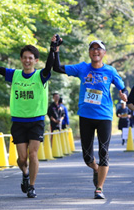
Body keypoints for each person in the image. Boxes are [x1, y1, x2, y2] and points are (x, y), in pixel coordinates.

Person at [53, 36, 128, 199]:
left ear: (104, 53)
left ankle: (99, 188)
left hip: (104, 116)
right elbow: (57, 68)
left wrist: (124, 95)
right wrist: (55, 49)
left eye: (98, 48)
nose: (95, 51)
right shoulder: (82, 68)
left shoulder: (110, 71)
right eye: (93, 48)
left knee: (104, 152)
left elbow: (123, 88)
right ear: (89, 52)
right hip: (86, 116)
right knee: (87, 157)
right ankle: (95, 169)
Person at [0, 35, 56, 198]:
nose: (27, 61)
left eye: (30, 58)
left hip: (37, 121)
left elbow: (50, 65)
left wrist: (53, 47)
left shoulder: (41, 75)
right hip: (18, 121)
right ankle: (25, 173)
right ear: (21, 59)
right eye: (25, 58)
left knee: (33, 154)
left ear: (36, 60)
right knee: (22, 158)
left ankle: (32, 186)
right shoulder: (15, 75)